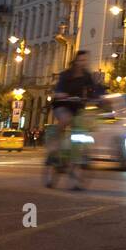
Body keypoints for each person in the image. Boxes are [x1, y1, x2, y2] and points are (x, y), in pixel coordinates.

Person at [49, 51, 104, 188]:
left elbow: (97, 89)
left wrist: (101, 97)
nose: (83, 63)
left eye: (85, 61)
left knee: (81, 130)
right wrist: (61, 94)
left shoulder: (87, 76)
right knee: (65, 119)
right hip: (63, 105)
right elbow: (59, 89)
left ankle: (75, 173)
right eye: (81, 60)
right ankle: (55, 147)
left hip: (77, 107)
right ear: (76, 61)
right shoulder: (66, 75)